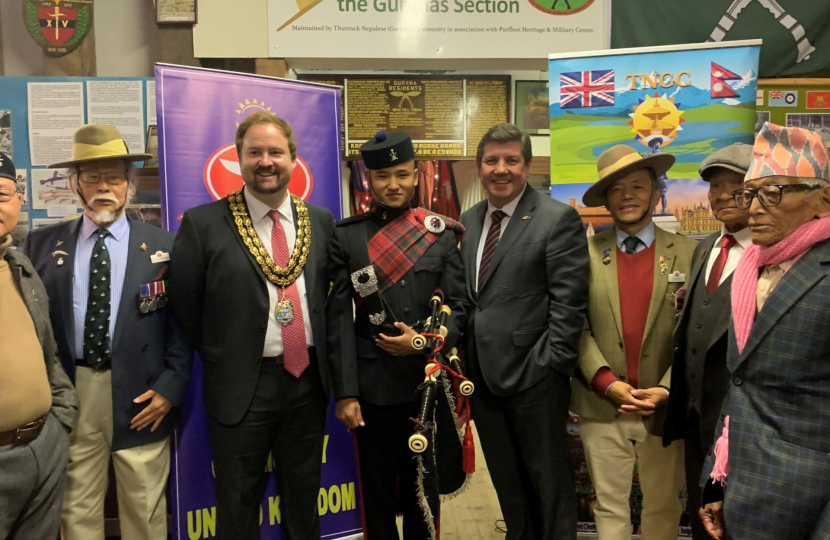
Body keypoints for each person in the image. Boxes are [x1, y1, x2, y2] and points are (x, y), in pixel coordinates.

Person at [169, 111, 335, 540]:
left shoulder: (320, 221)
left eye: (275, 152)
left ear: (293, 160)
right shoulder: (204, 224)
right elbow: (185, 304)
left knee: (304, 500)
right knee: (238, 504)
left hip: (307, 382)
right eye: (254, 152)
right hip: (242, 384)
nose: (266, 161)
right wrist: (226, 350)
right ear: (238, 159)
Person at [24, 125, 192, 540]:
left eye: (114, 177)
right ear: (75, 184)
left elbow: (185, 325)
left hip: (143, 392)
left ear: (129, 185)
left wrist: (170, 387)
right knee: (75, 506)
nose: (104, 187)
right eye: (92, 177)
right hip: (71, 391)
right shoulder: (40, 246)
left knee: (145, 505)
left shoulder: (165, 246)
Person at [327, 130, 468, 539]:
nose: (394, 185)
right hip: (372, 389)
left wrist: (425, 342)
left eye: (402, 175)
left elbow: (458, 307)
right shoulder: (347, 236)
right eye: (383, 176)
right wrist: (347, 392)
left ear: (415, 175)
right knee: (377, 492)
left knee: (424, 491)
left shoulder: (438, 233)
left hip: (428, 384)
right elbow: (338, 317)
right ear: (368, 179)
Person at [699, 123, 830, 540]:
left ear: (822, 199)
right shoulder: (749, 272)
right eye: (751, 193)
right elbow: (741, 388)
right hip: (741, 496)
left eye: (773, 193)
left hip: (805, 507)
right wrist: (715, 483)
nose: (754, 208)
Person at [460, 123, 588, 540]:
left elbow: (569, 304)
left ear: (527, 165)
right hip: (481, 378)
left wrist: (552, 366)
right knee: (508, 484)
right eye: (492, 160)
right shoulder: (469, 221)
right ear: (479, 167)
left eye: (511, 160)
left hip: (536, 377)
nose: (501, 169)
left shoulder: (556, 218)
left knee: (548, 486)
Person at [572, 144, 696, 540]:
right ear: (605, 200)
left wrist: (666, 388)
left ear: (656, 192)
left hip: (664, 409)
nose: (627, 196)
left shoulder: (692, 254)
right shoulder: (582, 255)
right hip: (602, 404)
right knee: (609, 506)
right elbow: (573, 325)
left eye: (637, 186)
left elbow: (697, 333)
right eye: (616, 189)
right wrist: (606, 382)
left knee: (664, 506)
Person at [662, 143, 751, 540]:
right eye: (715, 185)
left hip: (741, 424)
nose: (722, 194)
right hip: (697, 417)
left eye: (738, 185)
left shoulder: (770, 254)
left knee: (735, 523)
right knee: (701, 520)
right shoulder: (703, 250)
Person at [0, 151, 78, 540]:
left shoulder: (21, 267)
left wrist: (61, 420)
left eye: (1, 194)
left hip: (42, 448)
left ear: (18, 201)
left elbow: (47, 352)